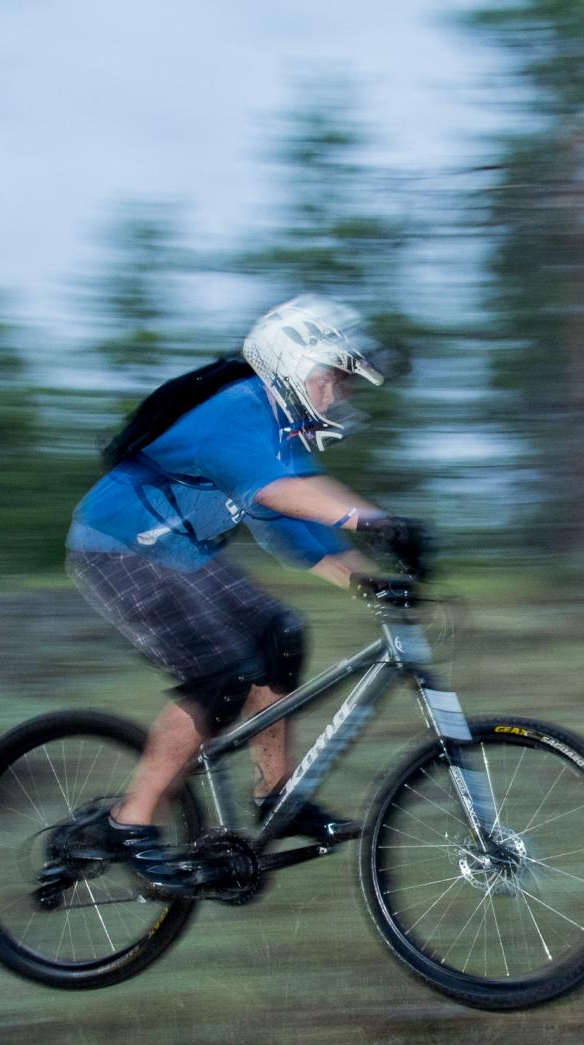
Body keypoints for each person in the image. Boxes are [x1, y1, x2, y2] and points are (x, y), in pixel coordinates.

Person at [62, 294, 426, 895]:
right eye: (333, 378)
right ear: (292, 360)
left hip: (179, 551)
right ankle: (131, 822)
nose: (338, 395)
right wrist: (378, 521)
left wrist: (372, 582)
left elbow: (293, 526)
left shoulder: (276, 433)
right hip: (117, 545)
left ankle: (275, 795)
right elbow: (279, 493)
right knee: (221, 676)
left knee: (281, 634)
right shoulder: (238, 408)